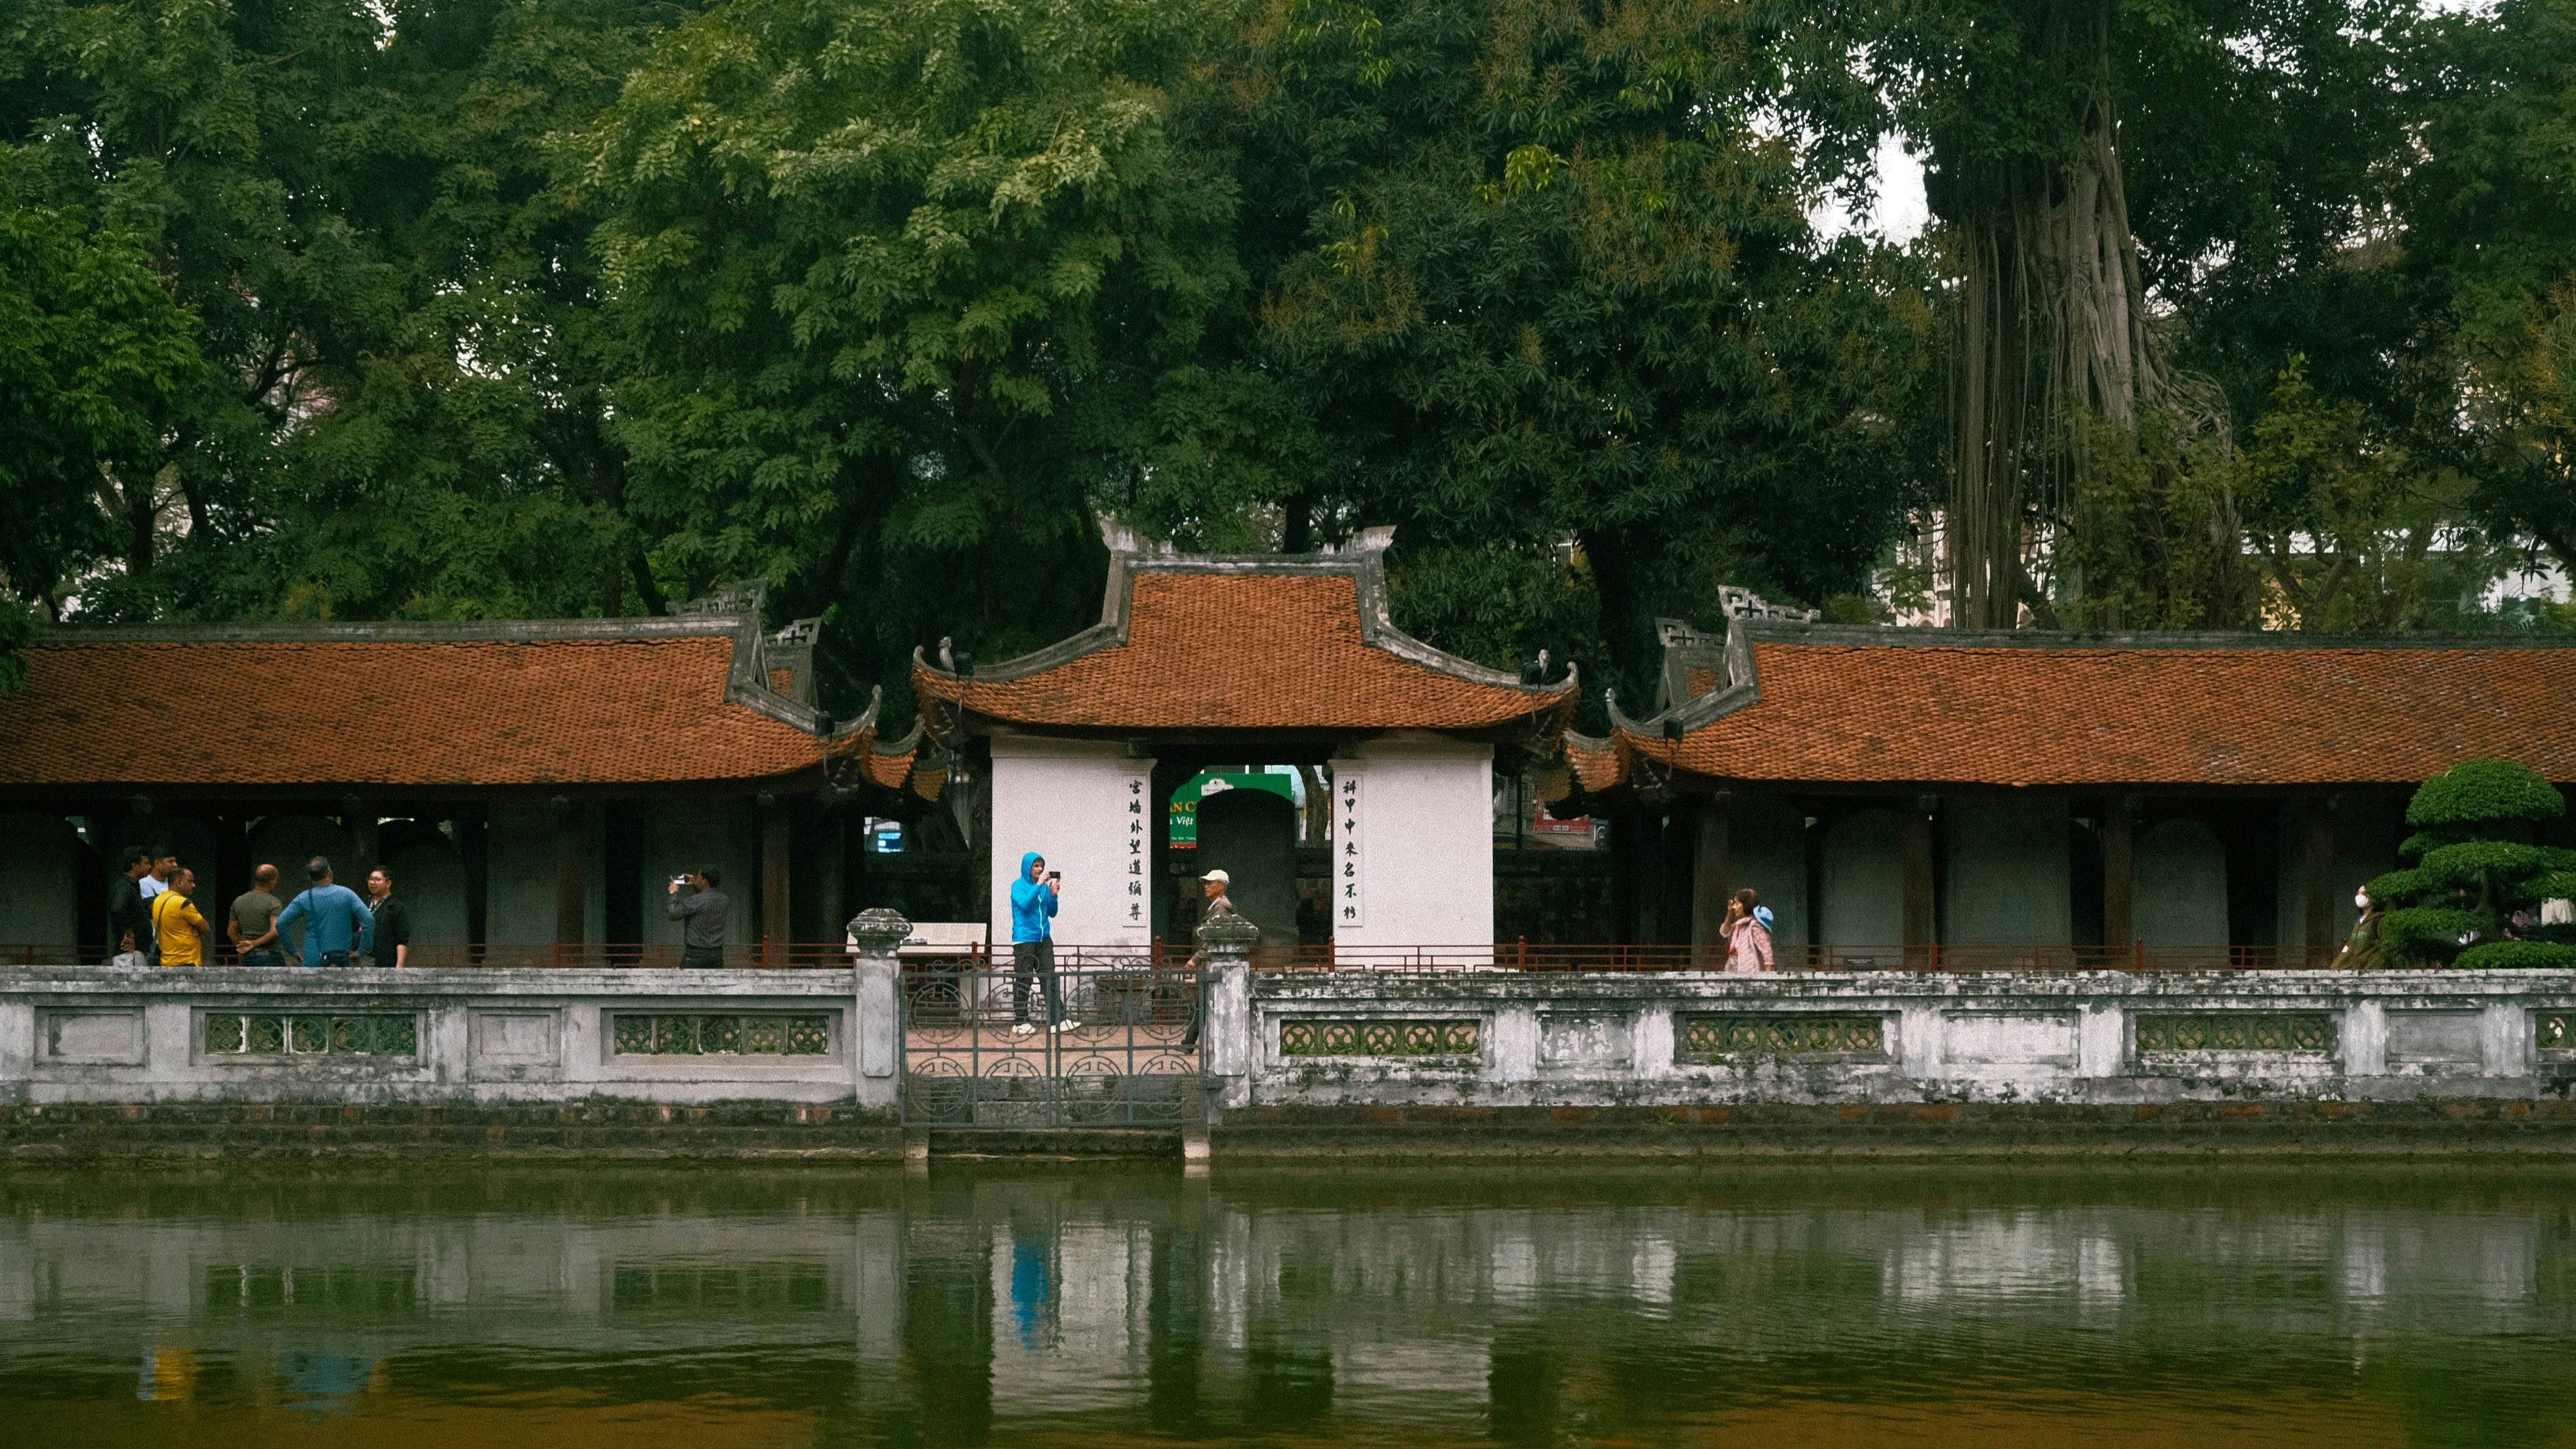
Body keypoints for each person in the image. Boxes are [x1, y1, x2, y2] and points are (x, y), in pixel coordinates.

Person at [261, 856, 373, 968]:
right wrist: (361, 951)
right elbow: (369, 920)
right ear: (330, 873)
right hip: (341, 959)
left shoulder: (303, 898)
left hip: (313, 959)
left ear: (310, 877)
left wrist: (293, 950)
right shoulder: (347, 894)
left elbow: (281, 924)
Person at [1009, 851, 1068, 1035]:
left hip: (1044, 939)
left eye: (1041, 865)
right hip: (1024, 939)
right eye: (1036, 866)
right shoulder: (1018, 886)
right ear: (1028, 867)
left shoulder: (1043, 887)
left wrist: (1053, 895)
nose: (1040, 869)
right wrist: (1040, 885)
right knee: (1024, 980)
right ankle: (1020, 1022)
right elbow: (1026, 905)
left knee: (1049, 978)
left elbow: (1052, 912)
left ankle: (1057, 1021)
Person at [1180, 868, 1237, 1050]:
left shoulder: (1220, 908)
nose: (1206, 886)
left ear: (1221, 886)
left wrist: (1195, 959)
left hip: (1215, 966)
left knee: (1204, 1006)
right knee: (1203, 1006)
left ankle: (1190, 1043)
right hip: (1212, 966)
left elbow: (1214, 939)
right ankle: (1189, 1043)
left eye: (1210, 883)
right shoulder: (1217, 907)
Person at [666, 866, 730, 969]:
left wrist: (673, 893)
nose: (696, 879)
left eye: (698, 878)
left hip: (695, 954)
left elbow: (672, 914)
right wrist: (696, 886)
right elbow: (705, 902)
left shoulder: (694, 900)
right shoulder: (725, 900)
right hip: (717, 954)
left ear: (705, 881)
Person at [149, 868, 213, 967]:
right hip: (186, 961)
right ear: (179, 882)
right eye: (190, 881)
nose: (194, 886)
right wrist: (194, 930)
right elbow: (205, 928)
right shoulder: (183, 903)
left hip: (166, 962)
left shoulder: (158, 900)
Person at [229, 864, 287, 969]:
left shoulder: (238, 901)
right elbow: (275, 931)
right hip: (271, 956)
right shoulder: (274, 902)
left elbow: (231, 932)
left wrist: (245, 948)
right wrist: (254, 944)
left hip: (249, 957)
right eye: (276, 879)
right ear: (272, 881)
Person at [106, 845, 155, 964]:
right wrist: (129, 934)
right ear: (135, 865)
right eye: (146, 863)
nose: (149, 867)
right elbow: (117, 909)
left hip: (136, 953)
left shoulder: (132, 886)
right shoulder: (124, 886)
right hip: (129, 955)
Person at [365, 865, 412, 969]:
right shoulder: (364, 903)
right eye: (370, 879)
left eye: (377, 880)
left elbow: (402, 939)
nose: (372, 883)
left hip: (385, 961)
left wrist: (399, 965)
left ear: (388, 883)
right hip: (362, 957)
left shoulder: (396, 906)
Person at [2333, 887, 2387, 971]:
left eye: (2363, 893)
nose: (2359, 896)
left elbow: (2384, 946)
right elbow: (2351, 945)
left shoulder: (2380, 920)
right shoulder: (2360, 921)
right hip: (2358, 966)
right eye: (2358, 893)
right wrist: (2337, 964)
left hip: (2372, 968)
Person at [1724, 887, 1774, 973]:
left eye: (1737, 903)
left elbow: (1767, 952)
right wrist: (1729, 913)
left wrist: (1768, 979)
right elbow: (1725, 932)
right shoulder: (1738, 926)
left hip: (1750, 975)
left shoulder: (1754, 926)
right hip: (1733, 974)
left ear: (1746, 905)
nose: (1734, 907)